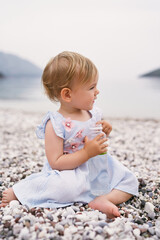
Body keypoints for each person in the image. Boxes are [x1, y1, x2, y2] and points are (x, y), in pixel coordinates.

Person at [0, 51, 139, 218]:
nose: (97, 92)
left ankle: (103, 199)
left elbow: (95, 140)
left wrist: (105, 131)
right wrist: (86, 152)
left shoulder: (92, 114)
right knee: (63, 188)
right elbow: (56, 162)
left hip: (97, 166)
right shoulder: (55, 124)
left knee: (130, 180)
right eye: (91, 87)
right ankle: (20, 191)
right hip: (69, 172)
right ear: (67, 94)